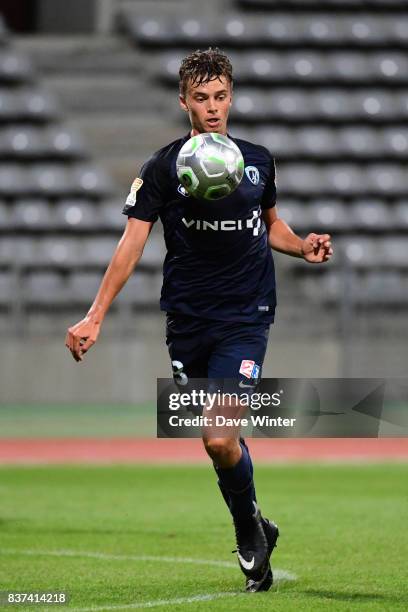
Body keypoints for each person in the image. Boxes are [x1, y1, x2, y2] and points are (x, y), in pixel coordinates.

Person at [65, 47, 333, 593]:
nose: (212, 108)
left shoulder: (257, 160)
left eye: (220, 97)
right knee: (221, 441)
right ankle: (257, 522)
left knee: (216, 436)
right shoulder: (162, 169)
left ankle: (246, 531)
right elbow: (131, 244)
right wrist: (95, 315)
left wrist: (301, 245)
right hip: (187, 320)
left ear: (230, 97)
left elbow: (271, 226)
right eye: (201, 98)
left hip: (246, 317)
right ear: (183, 101)